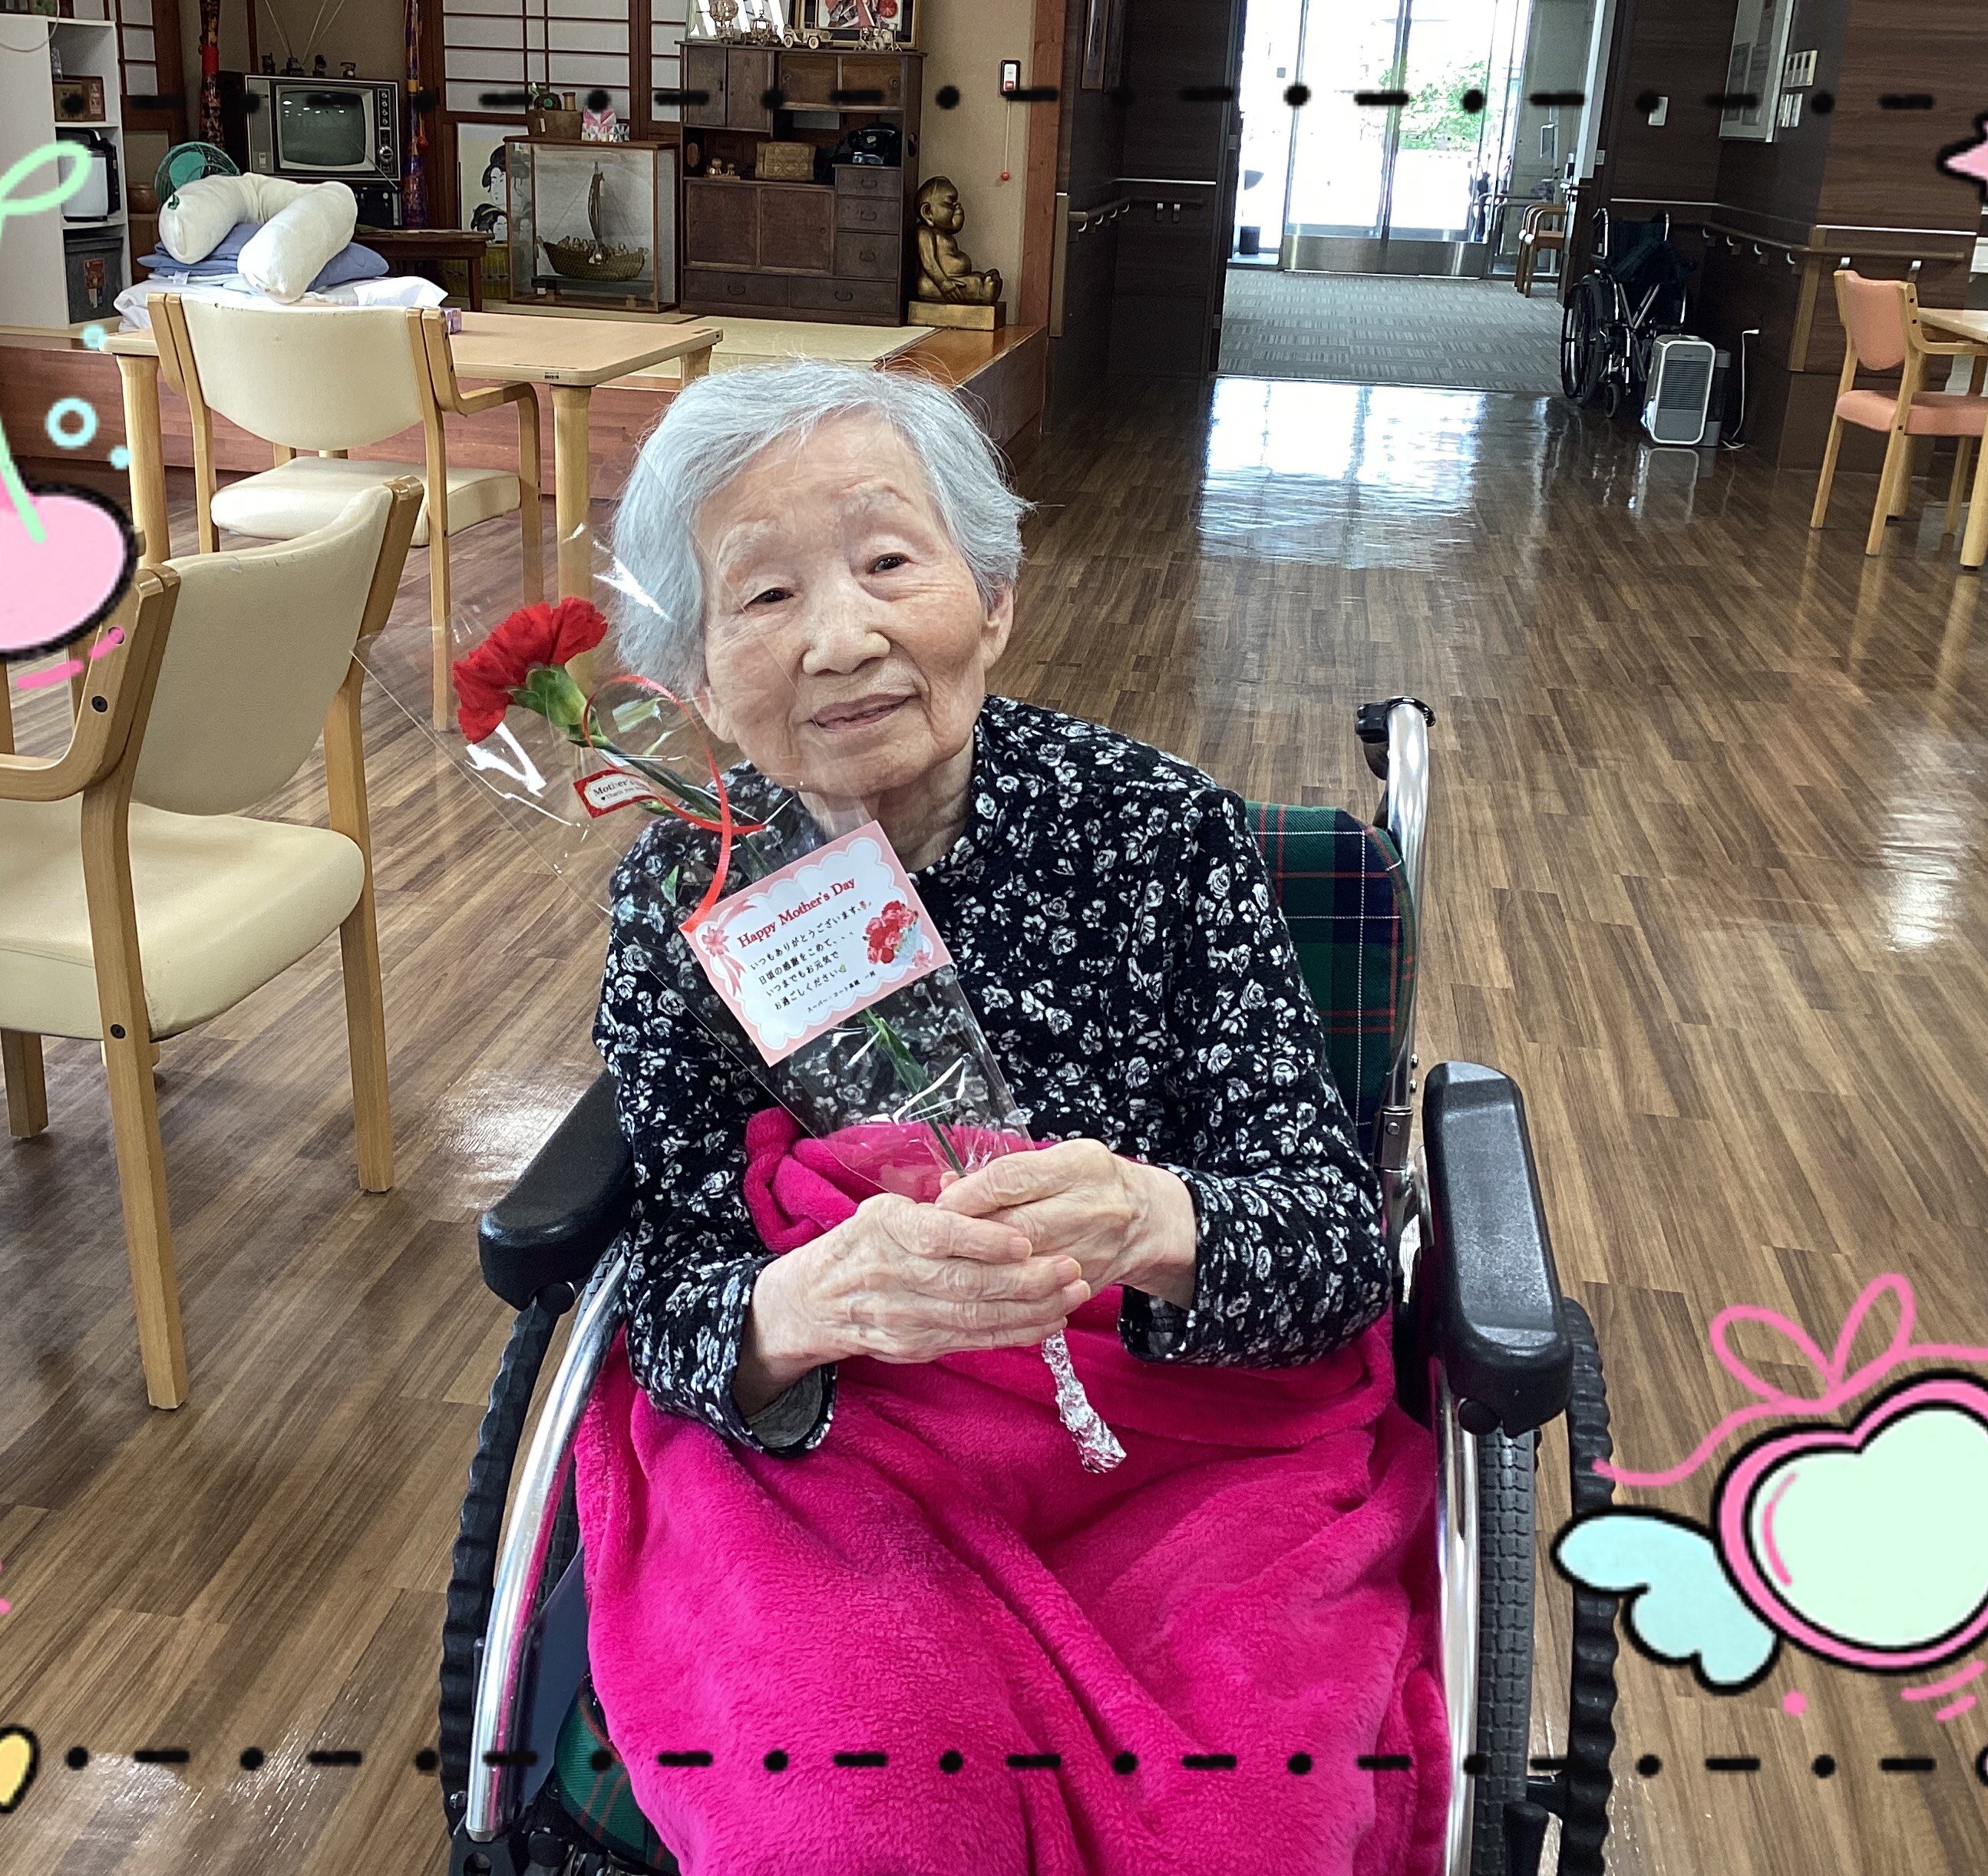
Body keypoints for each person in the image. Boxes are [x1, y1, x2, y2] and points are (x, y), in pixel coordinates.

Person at [573, 361, 1444, 1876]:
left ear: (992, 598)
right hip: (848, 1458)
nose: (842, 637)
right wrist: (801, 1302)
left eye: (887, 561)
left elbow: (1330, 1244)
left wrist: (1153, 1218)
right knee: (847, 1825)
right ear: (696, 679)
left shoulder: (1163, 836)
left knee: (1251, 1829)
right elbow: (672, 1291)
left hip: (1183, 1455)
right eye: (765, 595)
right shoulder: (687, 897)